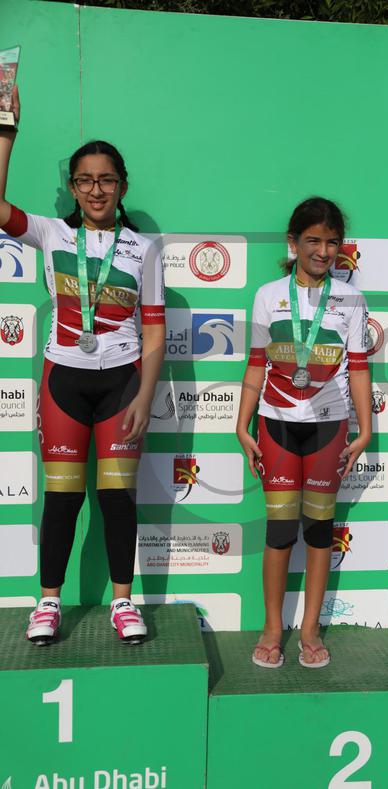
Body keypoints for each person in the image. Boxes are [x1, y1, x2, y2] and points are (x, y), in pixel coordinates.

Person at [0, 87, 166, 645]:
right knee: (64, 498)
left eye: (107, 180)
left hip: (122, 385)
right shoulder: (53, 233)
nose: (97, 190)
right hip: (63, 381)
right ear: (73, 187)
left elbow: (154, 330)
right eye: (86, 180)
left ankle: (123, 602)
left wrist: (144, 396)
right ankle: (48, 602)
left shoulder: (144, 249)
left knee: (117, 498)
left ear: (122, 186)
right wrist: (6, 134)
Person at [236, 197, 372, 667]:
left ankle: (310, 630)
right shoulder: (267, 295)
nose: (323, 251)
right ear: (292, 243)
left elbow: (359, 368)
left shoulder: (351, 299)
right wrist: (241, 423)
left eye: (332, 242)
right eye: (313, 240)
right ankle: (273, 628)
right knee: (278, 531)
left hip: (328, 428)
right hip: (275, 425)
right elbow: (257, 363)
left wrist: (364, 430)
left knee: (317, 531)